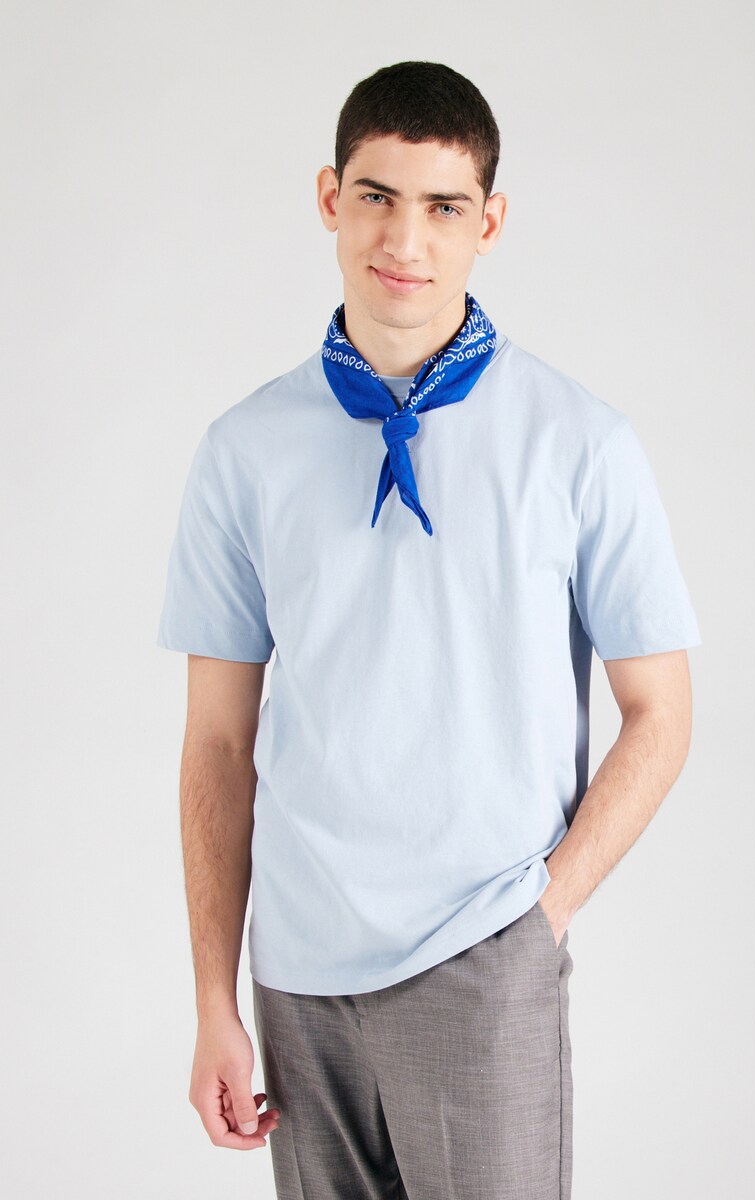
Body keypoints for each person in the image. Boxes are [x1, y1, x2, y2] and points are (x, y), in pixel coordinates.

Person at [156, 60, 701, 1200]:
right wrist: (214, 999)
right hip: (298, 977)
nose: (405, 238)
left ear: (487, 223)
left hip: (482, 954)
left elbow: (661, 712)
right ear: (330, 198)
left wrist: (539, 916)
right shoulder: (244, 451)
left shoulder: (578, 443)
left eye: (444, 206)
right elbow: (217, 740)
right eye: (377, 196)